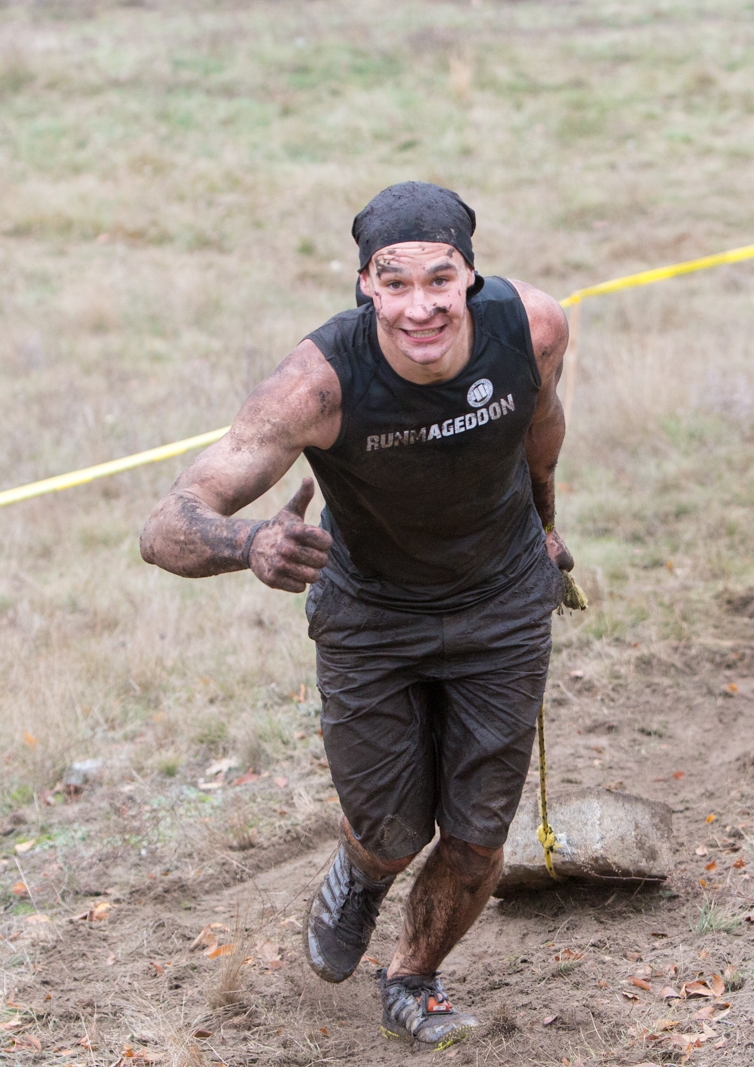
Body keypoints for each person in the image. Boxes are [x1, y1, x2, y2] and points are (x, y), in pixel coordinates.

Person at [138, 182, 572, 1049]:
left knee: (480, 834)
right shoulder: (317, 384)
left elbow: (540, 425)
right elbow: (164, 526)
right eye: (396, 283)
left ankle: (412, 975)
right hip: (373, 616)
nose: (421, 307)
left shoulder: (533, 328)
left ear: (471, 278)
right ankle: (364, 866)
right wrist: (250, 544)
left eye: (440, 281)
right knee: (394, 828)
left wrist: (548, 527)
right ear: (364, 285)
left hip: (503, 602)